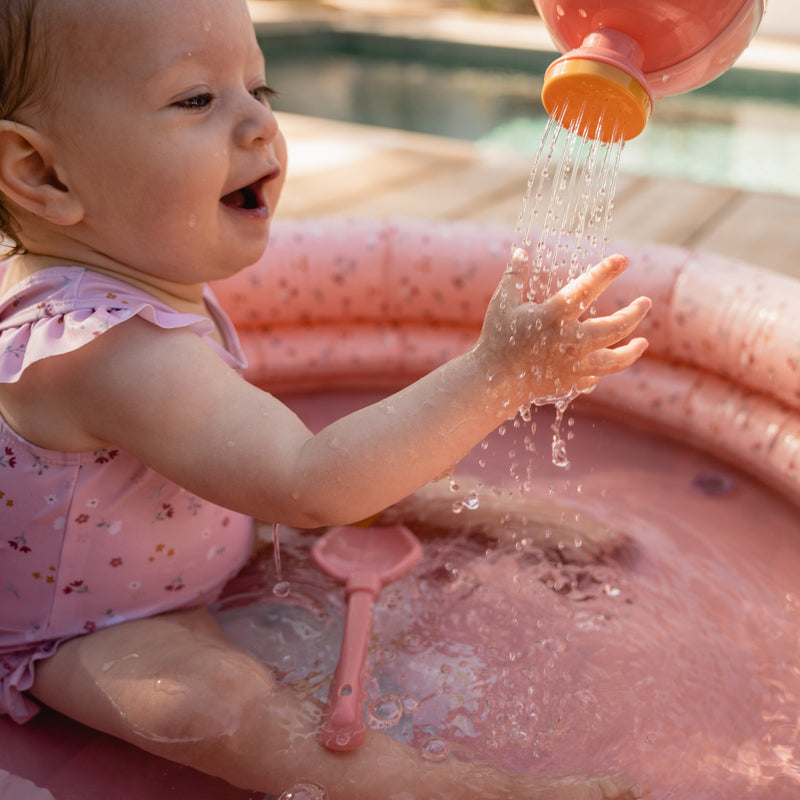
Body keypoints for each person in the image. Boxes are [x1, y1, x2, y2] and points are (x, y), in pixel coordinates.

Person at [0, 0, 651, 797]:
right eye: (195, 100)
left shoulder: (131, 279)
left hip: (190, 533)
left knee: (357, 470)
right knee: (208, 703)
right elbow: (311, 484)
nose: (257, 128)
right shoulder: (101, 350)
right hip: (84, 627)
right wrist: (497, 375)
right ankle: (467, 791)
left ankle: (463, 507)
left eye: (258, 91)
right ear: (43, 173)